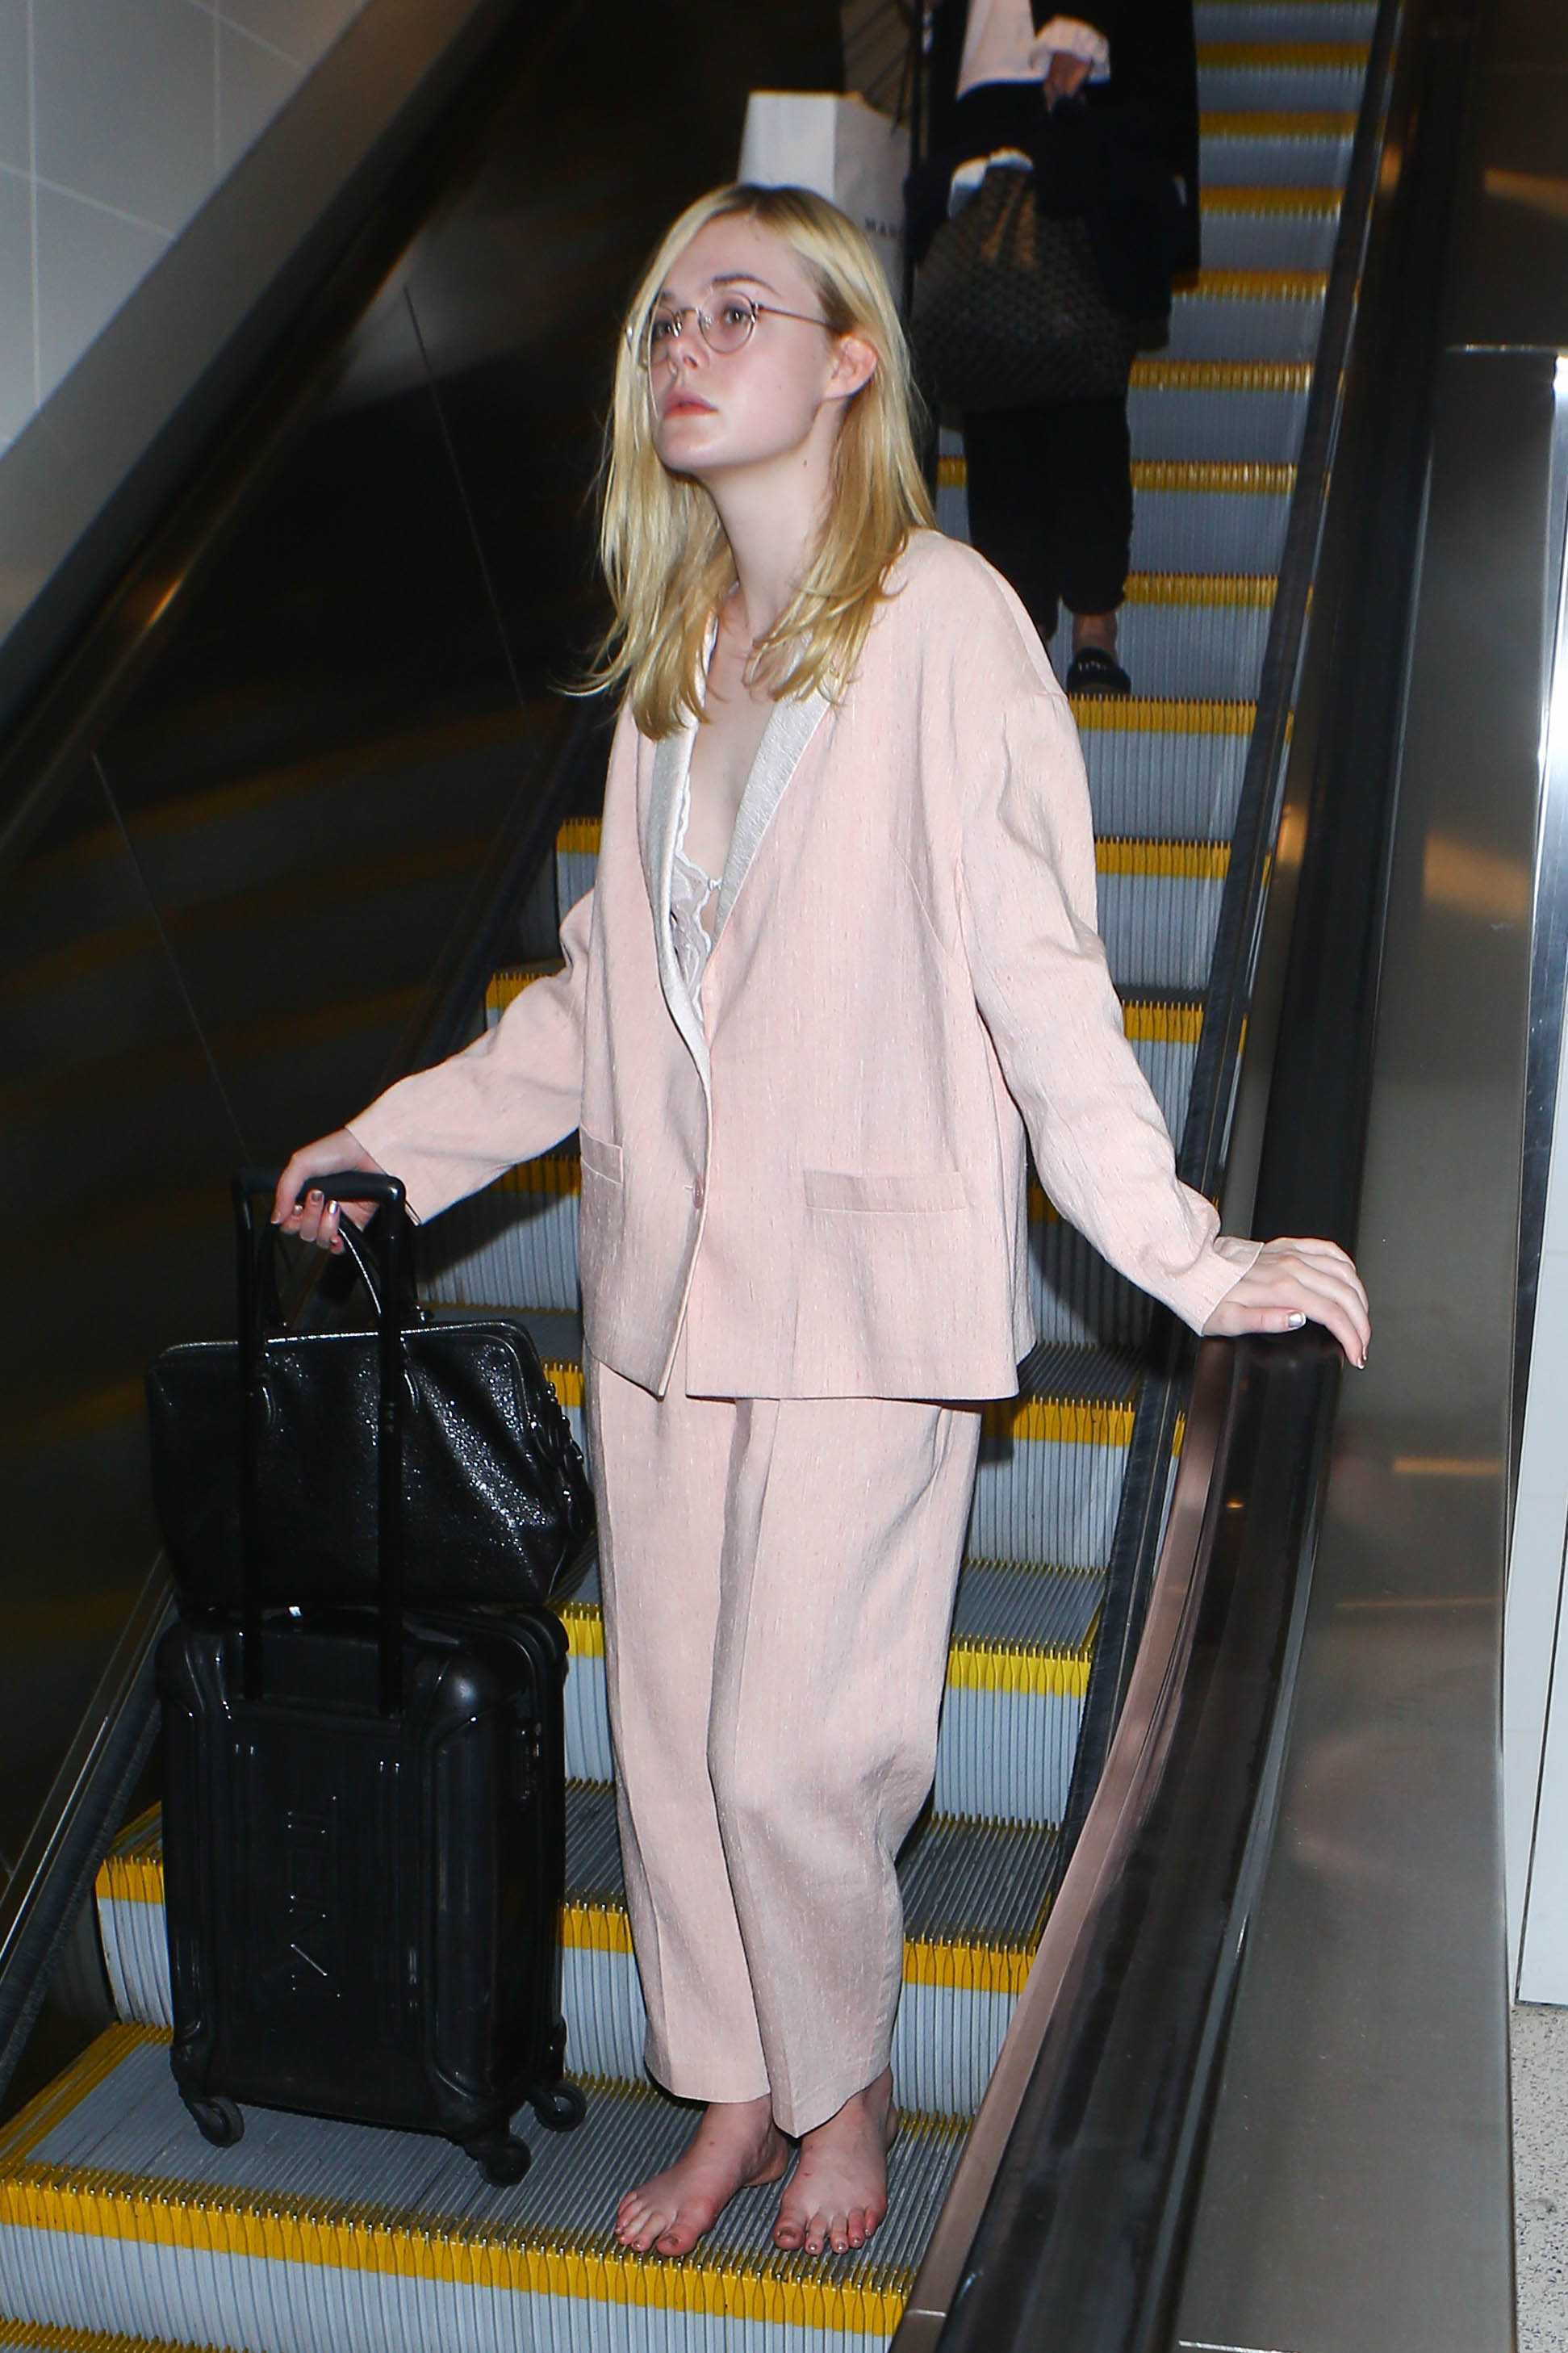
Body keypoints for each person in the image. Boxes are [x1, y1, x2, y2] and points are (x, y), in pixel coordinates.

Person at [274, 182, 1369, 2264]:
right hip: (668, 1295)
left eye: (735, 311)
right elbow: (598, 1000)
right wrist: (391, 1146)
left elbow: (1042, 977)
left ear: (850, 356)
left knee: (790, 1748)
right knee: (674, 1737)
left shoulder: (945, 624)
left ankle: (840, 2080)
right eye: (662, 320)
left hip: (867, 1291)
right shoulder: (674, 665)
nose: (682, 347)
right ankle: (730, 2087)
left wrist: (1191, 1253)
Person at [909, 0, 1201, 693]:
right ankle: (1021, 634)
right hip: (978, 107)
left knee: (1084, 388)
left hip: (1083, 95)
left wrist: (1081, 38)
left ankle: (1093, 621)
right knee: (991, 392)